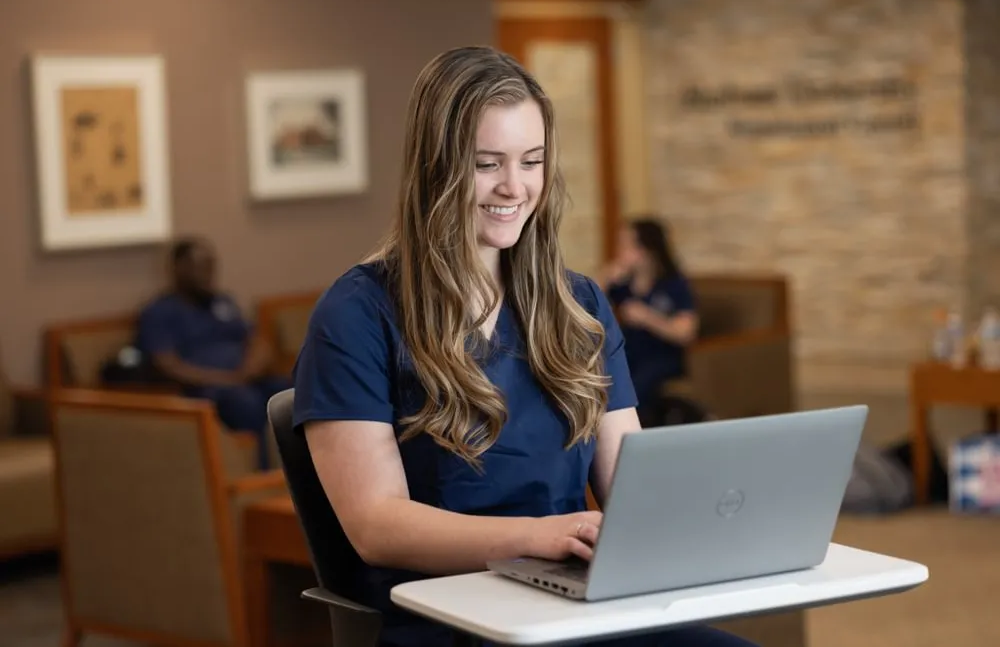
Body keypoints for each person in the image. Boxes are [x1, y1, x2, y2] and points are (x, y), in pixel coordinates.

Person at [292, 46, 757, 647]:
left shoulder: (580, 306)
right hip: (449, 618)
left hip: (576, 607)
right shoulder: (356, 314)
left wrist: (722, 515)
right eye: (487, 164)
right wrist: (534, 538)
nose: (514, 186)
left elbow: (634, 487)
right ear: (437, 167)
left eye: (531, 161)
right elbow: (376, 526)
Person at [135, 237, 289, 468]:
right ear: (178, 269)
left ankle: (306, 475)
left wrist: (250, 368)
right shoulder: (161, 312)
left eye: (211, 265)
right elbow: (168, 365)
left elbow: (257, 341)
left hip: (244, 379)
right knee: (246, 403)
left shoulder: (222, 302)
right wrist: (226, 380)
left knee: (292, 394)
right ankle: (262, 477)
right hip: (204, 390)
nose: (208, 273)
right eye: (200, 266)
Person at [599, 219, 699, 428]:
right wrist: (606, 277)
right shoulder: (623, 285)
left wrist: (647, 317)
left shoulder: (673, 284)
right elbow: (586, 304)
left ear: (646, 250)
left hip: (662, 356)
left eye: (626, 246)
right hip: (628, 351)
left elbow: (685, 332)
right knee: (602, 375)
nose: (620, 251)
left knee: (632, 386)